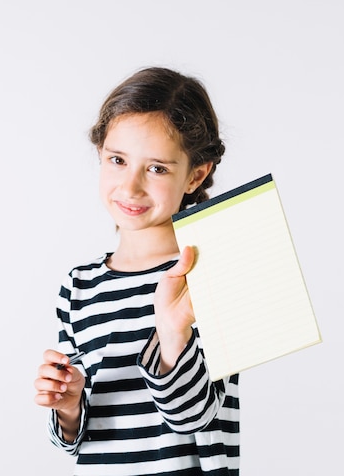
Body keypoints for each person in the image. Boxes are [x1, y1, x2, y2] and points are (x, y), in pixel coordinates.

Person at [33, 66, 240, 475]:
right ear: (100, 154)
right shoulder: (78, 286)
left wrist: (172, 335)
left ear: (195, 174)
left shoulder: (211, 272)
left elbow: (194, 416)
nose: (130, 187)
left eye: (157, 168)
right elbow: (77, 437)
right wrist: (70, 405)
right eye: (117, 160)